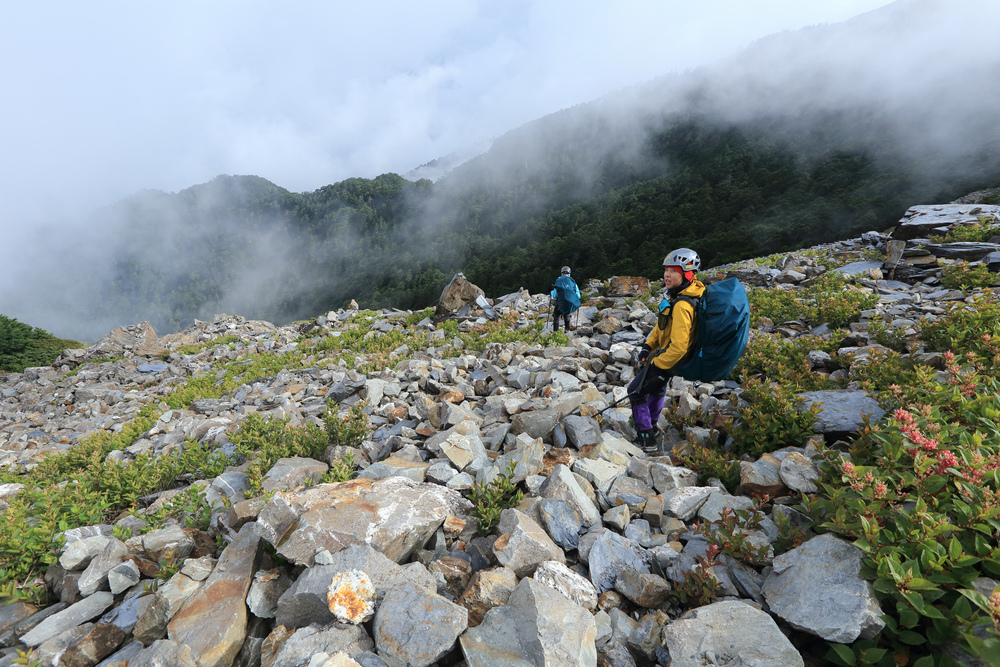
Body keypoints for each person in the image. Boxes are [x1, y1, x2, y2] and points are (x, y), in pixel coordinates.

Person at [628, 248, 705, 454]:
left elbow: (679, 345)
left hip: (671, 358)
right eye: (666, 270)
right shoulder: (681, 295)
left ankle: (646, 438)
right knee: (656, 389)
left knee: (635, 391)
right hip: (669, 358)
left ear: (687, 274)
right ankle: (651, 425)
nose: (667, 275)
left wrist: (657, 363)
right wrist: (648, 347)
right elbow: (662, 327)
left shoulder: (682, 304)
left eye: (673, 271)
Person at [549, 266, 581, 332]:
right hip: (569, 303)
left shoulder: (558, 281)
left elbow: (555, 296)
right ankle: (567, 330)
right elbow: (578, 296)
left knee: (556, 315)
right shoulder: (572, 282)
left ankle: (556, 331)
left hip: (560, 303)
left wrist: (551, 292)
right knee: (566, 314)